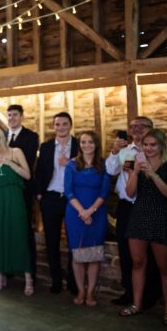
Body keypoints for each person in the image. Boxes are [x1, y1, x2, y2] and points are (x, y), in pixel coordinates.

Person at [119, 129, 167, 326]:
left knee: (164, 267)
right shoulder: (136, 164)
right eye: (146, 145)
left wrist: (153, 174)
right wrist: (136, 172)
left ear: (161, 146)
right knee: (137, 263)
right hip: (138, 216)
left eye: (153, 145)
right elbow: (129, 193)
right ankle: (137, 304)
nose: (148, 148)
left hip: (160, 217)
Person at [106, 117, 162, 308]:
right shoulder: (124, 151)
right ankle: (129, 291)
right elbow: (110, 170)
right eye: (132, 127)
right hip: (126, 207)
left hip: (147, 206)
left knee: (150, 252)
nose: (136, 130)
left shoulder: (156, 151)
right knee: (125, 250)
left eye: (141, 126)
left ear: (150, 129)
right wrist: (114, 151)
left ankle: (151, 294)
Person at [0, 126, 34, 295]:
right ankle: (0, 275)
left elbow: (27, 175)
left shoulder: (15, 152)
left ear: (0, 138)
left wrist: (9, 163)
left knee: (19, 235)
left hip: (15, 198)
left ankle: (28, 278)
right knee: (0, 237)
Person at [64, 131, 110, 306]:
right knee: (78, 255)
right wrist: (82, 212)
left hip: (97, 213)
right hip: (75, 213)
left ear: (96, 144)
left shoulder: (103, 165)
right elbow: (68, 190)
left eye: (90, 142)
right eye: (83, 142)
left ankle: (90, 292)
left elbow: (104, 192)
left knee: (94, 255)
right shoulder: (72, 165)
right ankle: (80, 291)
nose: (86, 145)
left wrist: (90, 211)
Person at [36, 112, 79, 294]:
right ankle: (56, 280)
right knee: (51, 241)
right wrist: (39, 194)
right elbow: (39, 171)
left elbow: (86, 167)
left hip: (72, 198)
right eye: (57, 124)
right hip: (51, 197)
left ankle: (73, 281)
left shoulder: (78, 145)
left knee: (72, 241)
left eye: (64, 124)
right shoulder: (46, 147)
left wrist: (69, 162)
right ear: (54, 127)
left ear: (70, 125)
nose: (61, 127)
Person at [3, 105, 40, 282]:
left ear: (22, 117)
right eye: (9, 115)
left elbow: (29, 160)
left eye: (15, 115)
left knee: (24, 230)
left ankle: (29, 271)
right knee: (7, 230)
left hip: (23, 190)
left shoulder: (31, 137)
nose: (11, 118)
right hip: (4, 191)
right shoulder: (1, 136)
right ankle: (9, 268)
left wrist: (5, 158)